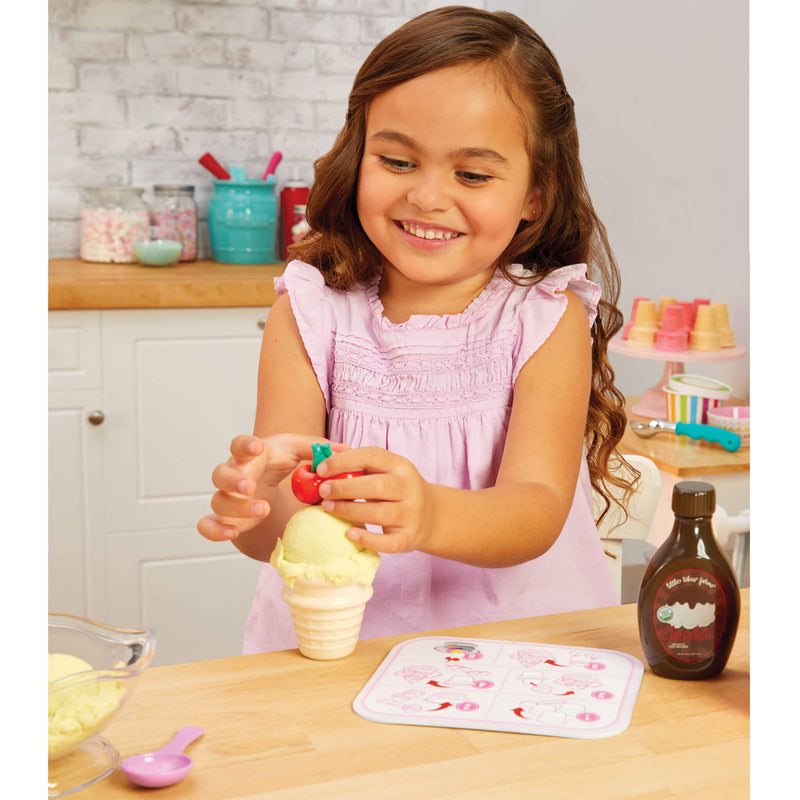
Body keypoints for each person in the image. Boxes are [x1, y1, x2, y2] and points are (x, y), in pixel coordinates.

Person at [197, 6, 634, 654]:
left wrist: (429, 512)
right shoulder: (312, 308)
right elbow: (279, 535)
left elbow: (537, 507)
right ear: (360, 154)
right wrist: (254, 510)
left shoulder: (544, 314)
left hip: (514, 651)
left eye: (473, 174)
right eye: (398, 161)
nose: (428, 197)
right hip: (341, 651)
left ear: (535, 195)